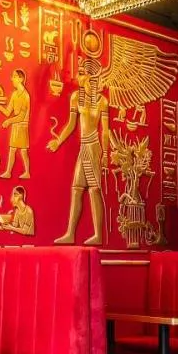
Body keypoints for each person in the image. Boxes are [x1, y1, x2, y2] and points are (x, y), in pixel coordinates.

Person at [48, 41, 111, 246]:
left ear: (92, 77)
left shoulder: (102, 101)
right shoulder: (76, 97)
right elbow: (71, 124)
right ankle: (70, 233)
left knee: (94, 189)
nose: (79, 76)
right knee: (76, 188)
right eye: (80, 73)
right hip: (84, 146)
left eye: (83, 73)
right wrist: (58, 141)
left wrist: (105, 154)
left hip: (93, 147)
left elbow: (105, 131)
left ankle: (98, 235)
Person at [0, 67, 31, 179]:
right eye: (12, 76)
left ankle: (27, 172)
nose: (12, 79)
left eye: (14, 76)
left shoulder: (25, 95)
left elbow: (21, 116)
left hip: (22, 125)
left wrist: (9, 121)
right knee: (12, 150)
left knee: (23, 151)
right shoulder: (14, 94)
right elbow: (8, 112)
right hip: (15, 125)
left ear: (21, 79)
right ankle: (8, 172)